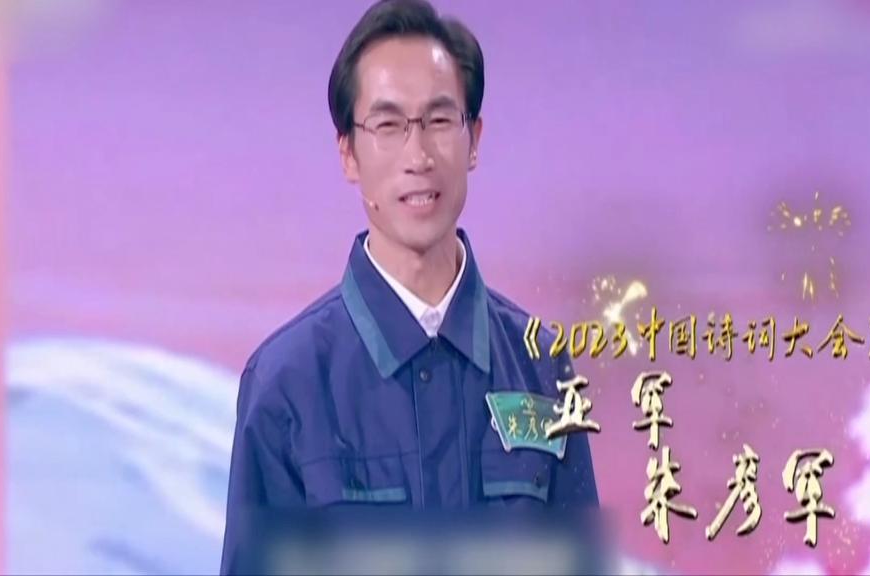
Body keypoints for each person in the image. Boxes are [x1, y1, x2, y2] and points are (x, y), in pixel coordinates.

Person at [221, 1, 600, 571]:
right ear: (348, 153)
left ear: (474, 139)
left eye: (439, 121)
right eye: (389, 125)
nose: (418, 156)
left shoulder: (541, 367)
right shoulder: (286, 384)